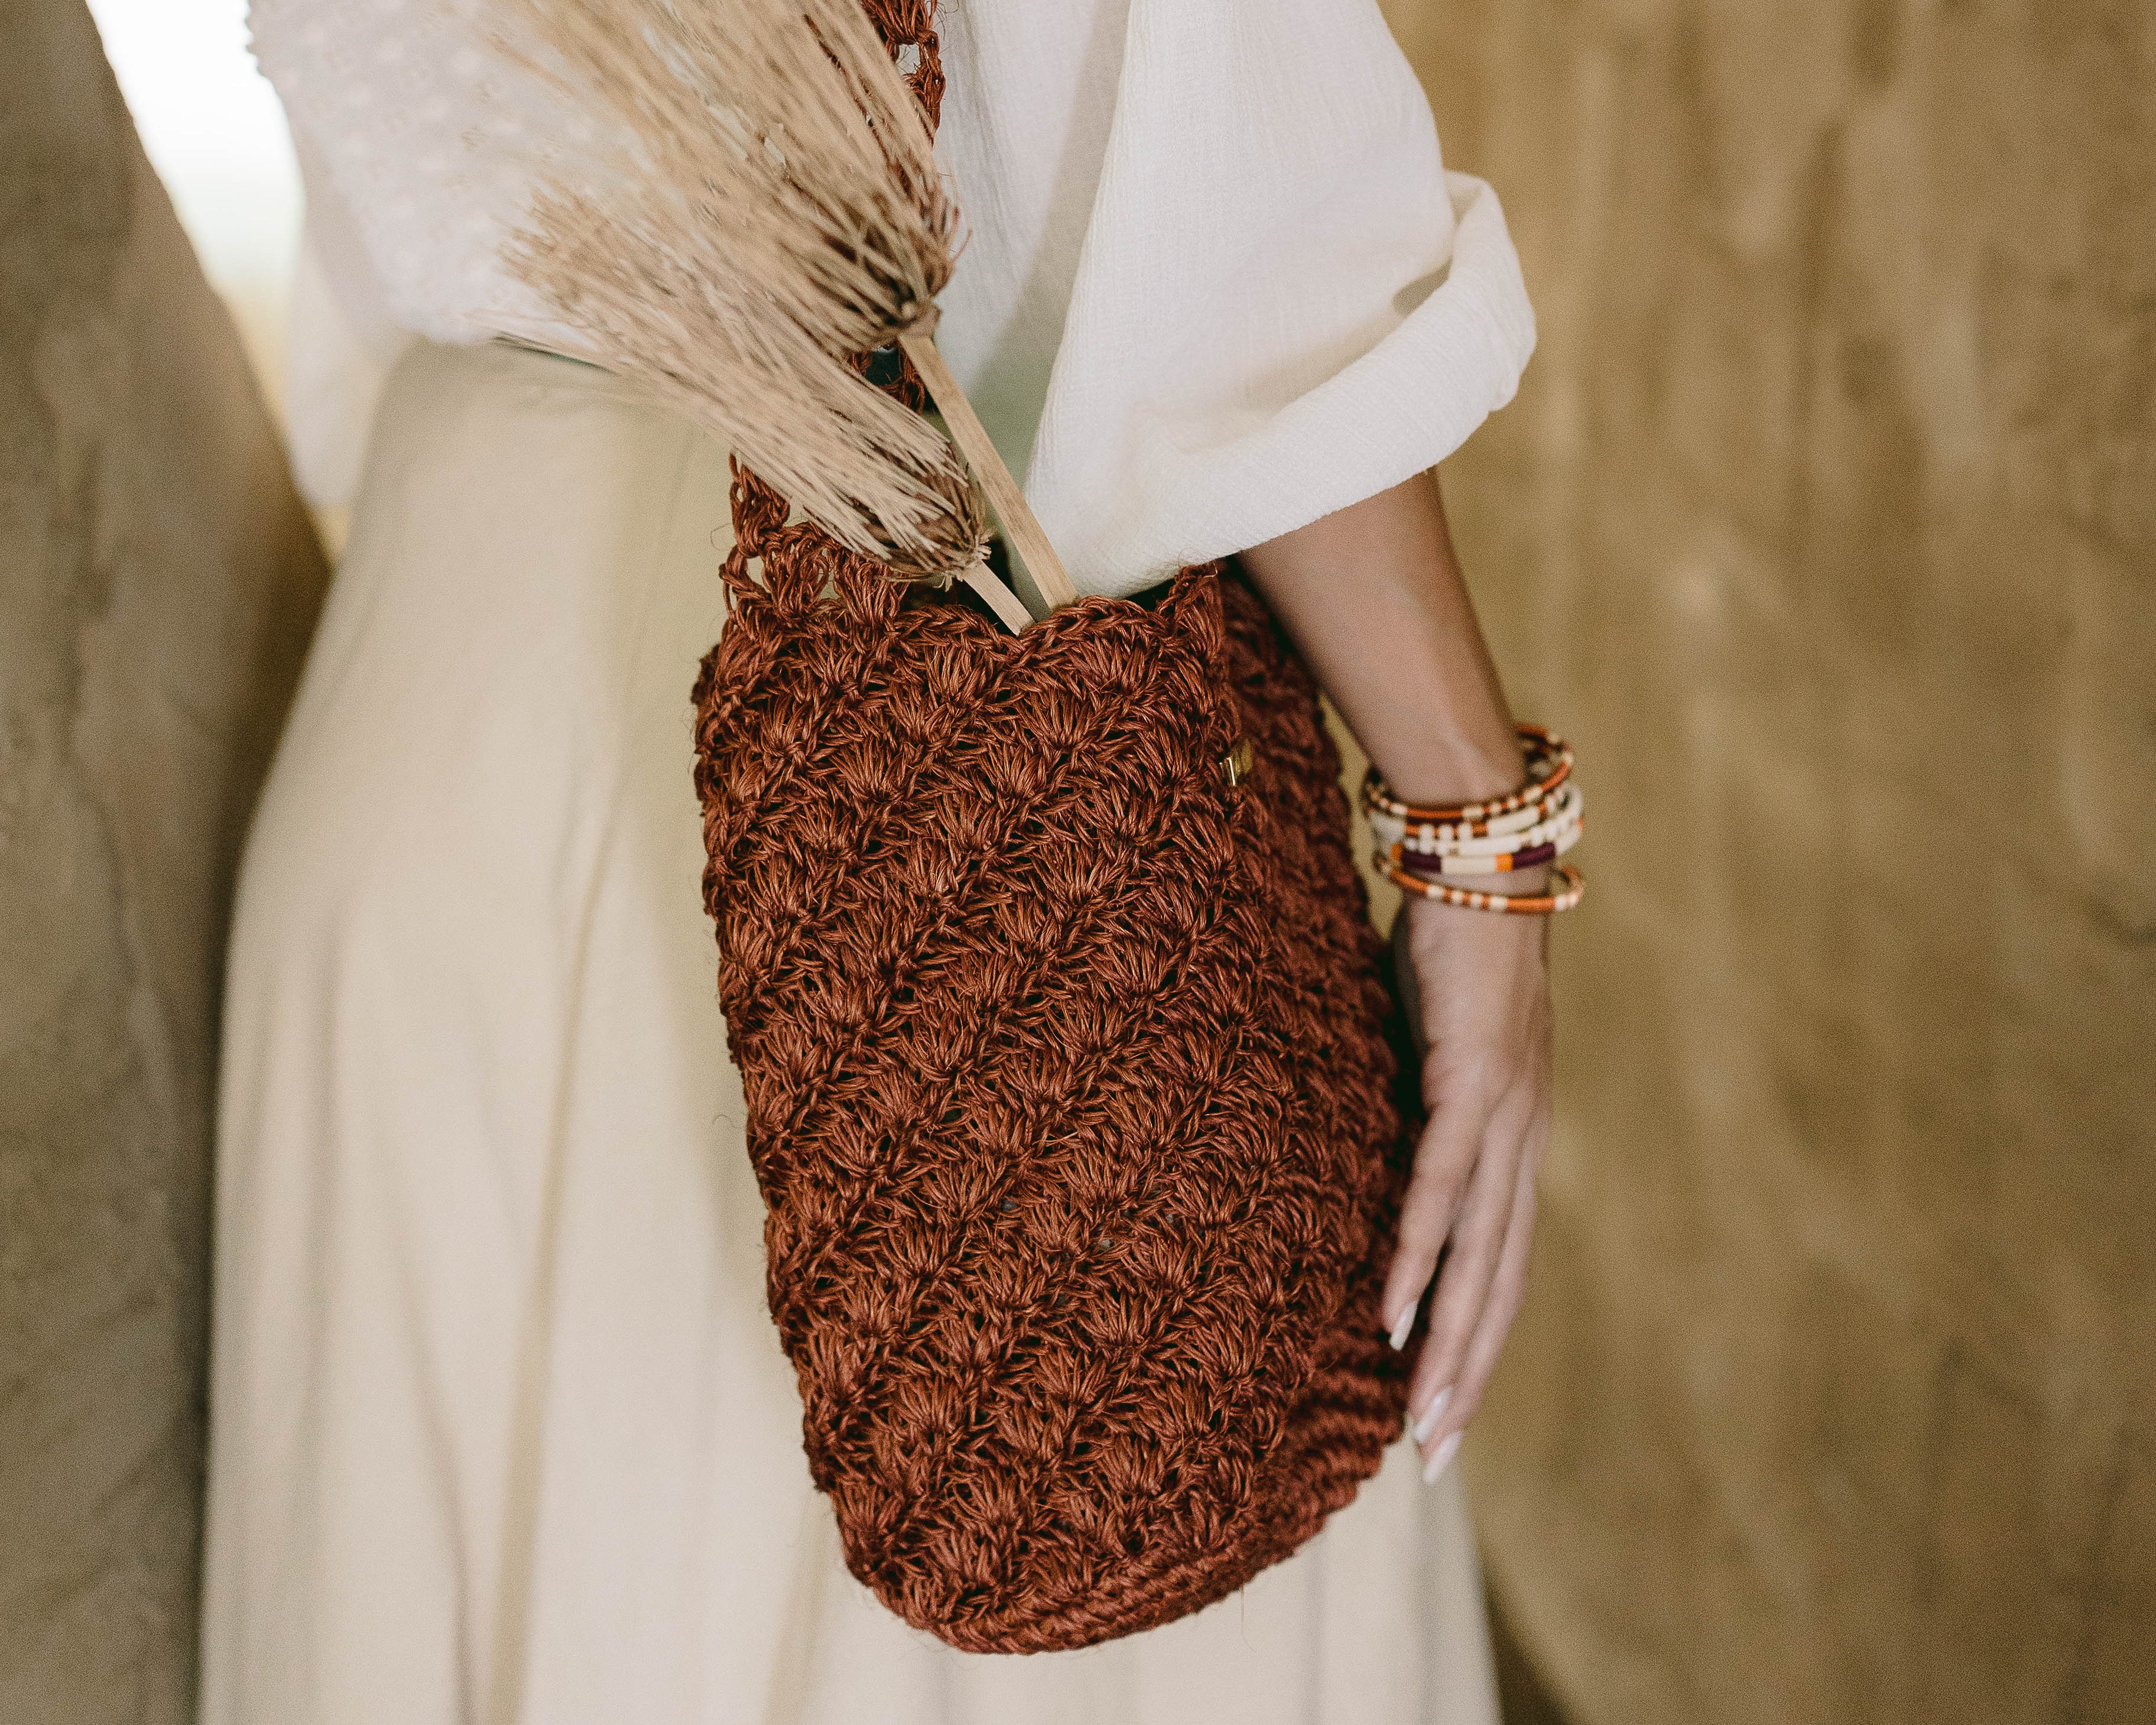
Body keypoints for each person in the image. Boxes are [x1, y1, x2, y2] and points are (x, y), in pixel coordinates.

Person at [202, 0, 1546, 1718]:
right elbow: (1228, 235)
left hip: (443, 683)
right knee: (1105, 1450)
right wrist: (1478, 834)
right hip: (945, 803)